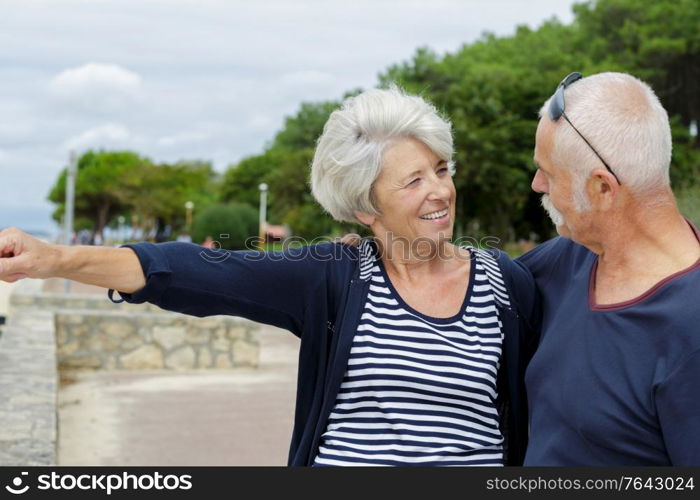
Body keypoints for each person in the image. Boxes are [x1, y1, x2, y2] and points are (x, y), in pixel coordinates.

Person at [0, 86, 539, 466]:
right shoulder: (333, 279)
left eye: (442, 170)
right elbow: (192, 271)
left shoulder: (506, 286)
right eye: (414, 180)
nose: (440, 191)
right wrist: (52, 258)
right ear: (364, 207)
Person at [518, 72, 700, 465]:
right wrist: (363, 255)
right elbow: (456, 276)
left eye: (548, 173)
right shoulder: (568, 258)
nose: (536, 185)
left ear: (602, 188)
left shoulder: (691, 330)